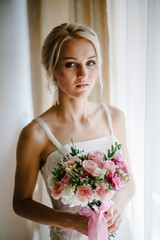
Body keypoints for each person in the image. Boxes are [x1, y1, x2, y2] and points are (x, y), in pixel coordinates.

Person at [13, 23, 135, 240]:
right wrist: (69, 221)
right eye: (71, 64)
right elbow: (21, 203)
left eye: (90, 63)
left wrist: (118, 205)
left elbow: (129, 182)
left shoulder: (115, 117)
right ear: (51, 70)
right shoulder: (35, 133)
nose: (83, 74)